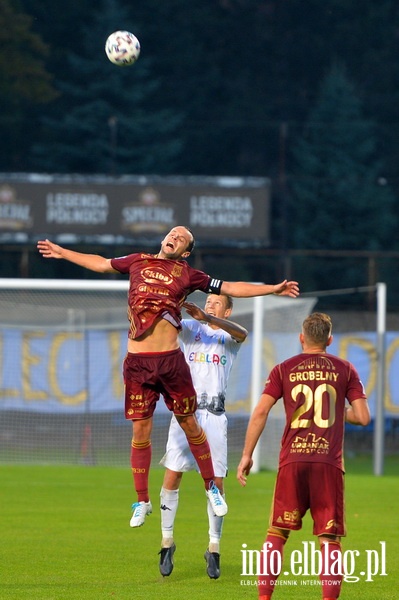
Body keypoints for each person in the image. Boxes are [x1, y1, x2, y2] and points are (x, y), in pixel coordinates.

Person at [37, 226, 299, 530]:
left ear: (185, 251)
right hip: (137, 362)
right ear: (164, 239)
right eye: (173, 233)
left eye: (183, 238)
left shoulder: (188, 274)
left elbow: (230, 287)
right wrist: (62, 252)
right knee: (140, 431)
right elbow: (100, 262)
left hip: (171, 360)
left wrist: (272, 288)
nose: (175, 237)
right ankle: (142, 501)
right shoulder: (137, 261)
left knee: (189, 422)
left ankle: (211, 488)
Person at [237, 312, 370, 600]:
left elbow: (260, 411)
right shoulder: (345, 369)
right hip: (328, 464)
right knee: (329, 538)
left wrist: (247, 455)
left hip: (292, 461)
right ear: (329, 340)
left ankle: (263, 597)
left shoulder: (283, 369)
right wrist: (336, 413)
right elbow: (362, 416)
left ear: (302, 338)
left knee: (277, 533)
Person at [159, 293, 248, 579]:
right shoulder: (190, 328)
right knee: (173, 475)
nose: (209, 304)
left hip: (215, 415)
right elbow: (167, 320)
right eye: (208, 301)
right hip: (187, 413)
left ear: (228, 310)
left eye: (216, 302)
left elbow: (243, 333)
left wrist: (208, 319)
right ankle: (166, 541)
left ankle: (214, 547)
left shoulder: (228, 336)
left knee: (216, 483)